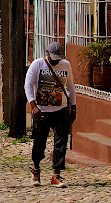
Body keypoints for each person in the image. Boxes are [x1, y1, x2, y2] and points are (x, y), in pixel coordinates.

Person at [24, 42, 77, 188]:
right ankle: (36, 169)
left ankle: (56, 174)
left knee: (61, 143)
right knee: (39, 142)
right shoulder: (37, 64)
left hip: (60, 109)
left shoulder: (66, 65)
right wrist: (33, 105)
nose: (55, 61)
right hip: (41, 111)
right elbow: (28, 85)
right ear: (47, 53)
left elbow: (70, 86)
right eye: (53, 58)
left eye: (57, 59)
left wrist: (73, 107)